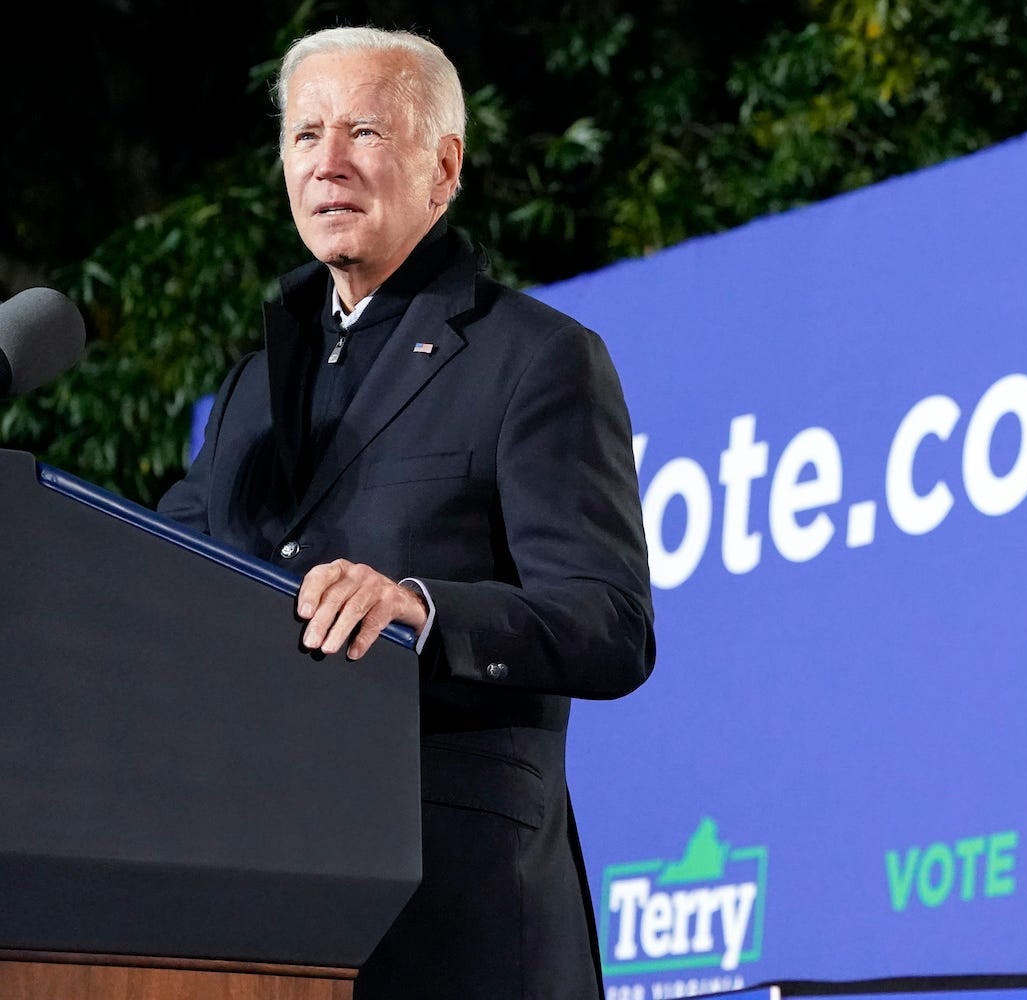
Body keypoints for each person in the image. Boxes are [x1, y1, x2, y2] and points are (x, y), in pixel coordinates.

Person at [158, 26, 655, 998]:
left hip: (452, 910)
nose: (327, 163)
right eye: (304, 136)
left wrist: (419, 609)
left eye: (364, 132)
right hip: (253, 899)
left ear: (444, 165)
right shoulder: (253, 391)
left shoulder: (534, 356)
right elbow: (159, 572)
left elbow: (609, 622)